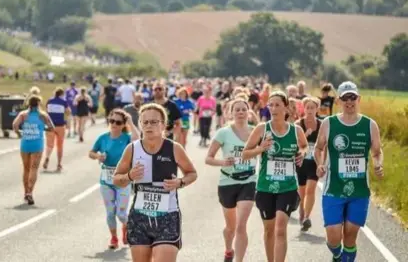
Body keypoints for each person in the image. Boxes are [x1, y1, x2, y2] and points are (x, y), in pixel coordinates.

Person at [113, 103, 198, 262]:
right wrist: (130, 176)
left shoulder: (174, 148)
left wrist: (180, 182)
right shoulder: (132, 149)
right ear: (140, 124)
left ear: (163, 125)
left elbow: (192, 173)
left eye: (154, 122)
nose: (149, 125)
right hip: (139, 217)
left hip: (167, 216)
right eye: (145, 122)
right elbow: (117, 179)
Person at [314, 81, 383, 262]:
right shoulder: (329, 123)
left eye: (353, 97)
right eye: (345, 98)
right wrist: (320, 164)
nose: (349, 101)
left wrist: (378, 165)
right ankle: (337, 255)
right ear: (338, 101)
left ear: (358, 99)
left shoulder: (370, 125)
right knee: (333, 238)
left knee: (350, 235)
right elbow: (319, 148)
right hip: (334, 188)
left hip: (359, 190)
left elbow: (377, 151)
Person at [242, 91, 308, 262]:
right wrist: (260, 148)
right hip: (265, 187)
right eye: (270, 105)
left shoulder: (296, 130)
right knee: (269, 230)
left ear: (286, 108)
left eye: (277, 105)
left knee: (280, 228)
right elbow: (245, 154)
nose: (273, 108)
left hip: (287, 187)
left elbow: (304, 146)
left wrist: (301, 153)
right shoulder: (262, 129)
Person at [205, 98, 258, 262]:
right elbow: (208, 158)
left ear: (248, 112)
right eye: (237, 110)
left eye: (244, 109)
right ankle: (229, 249)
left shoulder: (255, 132)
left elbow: (268, 151)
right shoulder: (224, 133)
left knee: (241, 225)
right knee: (231, 227)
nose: (241, 112)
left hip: (248, 181)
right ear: (231, 113)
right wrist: (223, 162)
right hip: (227, 182)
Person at [89, 109, 139, 249]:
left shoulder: (127, 138)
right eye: (111, 121)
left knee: (121, 213)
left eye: (118, 122)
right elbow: (91, 152)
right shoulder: (103, 138)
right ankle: (114, 238)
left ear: (123, 124)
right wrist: (98, 156)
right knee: (110, 212)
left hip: (123, 181)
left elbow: (138, 139)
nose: (114, 124)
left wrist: (130, 121)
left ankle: (126, 228)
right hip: (106, 181)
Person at [13, 95, 54, 205]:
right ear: (39, 104)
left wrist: (19, 134)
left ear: (29, 104)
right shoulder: (43, 116)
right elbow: (52, 127)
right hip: (37, 144)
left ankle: (25, 192)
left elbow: (14, 125)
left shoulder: (23, 115)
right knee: (34, 168)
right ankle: (30, 192)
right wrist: (42, 128)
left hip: (25, 144)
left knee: (26, 169)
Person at [295, 97, 322, 232]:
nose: (310, 110)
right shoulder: (298, 124)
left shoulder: (322, 125)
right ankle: (301, 214)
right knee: (302, 192)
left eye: (313, 107)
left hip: (314, 163)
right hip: (301, 162)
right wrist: (305, 134)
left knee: (311, 190)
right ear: (304, 109)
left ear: (317, 109)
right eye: (308, 107)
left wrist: (323, 163)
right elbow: (294, 145)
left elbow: (325, 145)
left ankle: (306, 217)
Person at [43, 87, 70, 172]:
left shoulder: (49, 101)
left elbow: (46, 112)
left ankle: (47, 157)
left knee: (49, 145)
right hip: (60, 125)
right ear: (62, 94)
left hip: (50, 125)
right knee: (60, 145)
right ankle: (59, 164)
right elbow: (68, 112)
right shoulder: (64, 102)